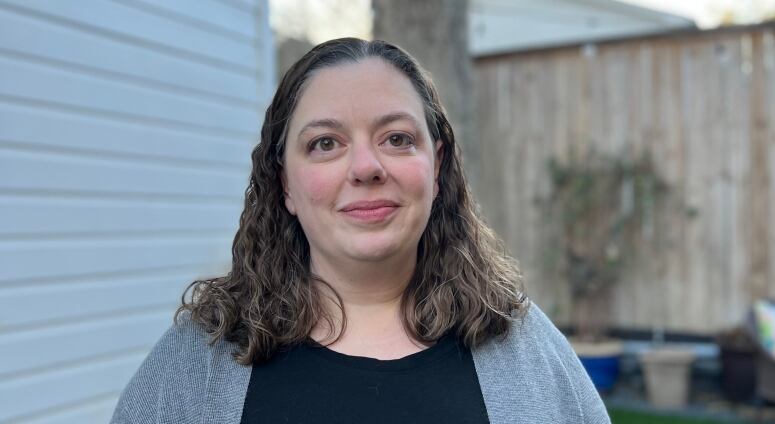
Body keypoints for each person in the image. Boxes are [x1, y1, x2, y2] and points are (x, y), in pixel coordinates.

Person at [111, 38, 610, 424]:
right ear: (284, 181)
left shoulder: (524, 349)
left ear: (436, 167)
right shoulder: (201, 360)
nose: (366, 167)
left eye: (396, 138)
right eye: (325, 143)